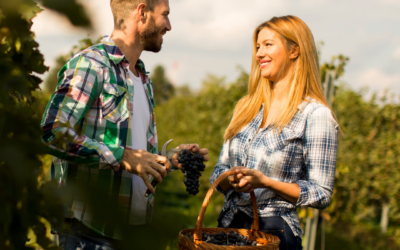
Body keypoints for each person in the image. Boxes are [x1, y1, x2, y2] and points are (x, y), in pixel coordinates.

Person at [40, 0, 208, 249]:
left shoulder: (143, 79)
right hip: (89, 233)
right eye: (165, 15)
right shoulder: (91, 65)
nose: (169, 26)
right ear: (142, 12)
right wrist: (123, 156)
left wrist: (166, 159)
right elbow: (51, 133)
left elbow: (134, 157)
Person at [210, 15, 339, 250]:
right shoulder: (246, 107)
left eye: (268, 45)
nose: (259, 53)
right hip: (229, 228)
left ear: (294, 51)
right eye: (258, 46)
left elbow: (321, 193)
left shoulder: (315, 114)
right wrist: (229, 178)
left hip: (275, 234)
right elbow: (218, 172)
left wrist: (266, 183)